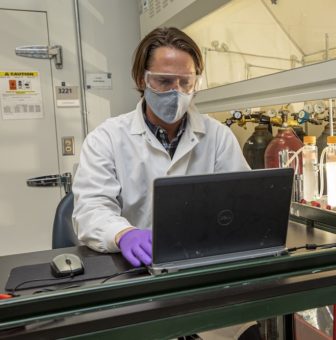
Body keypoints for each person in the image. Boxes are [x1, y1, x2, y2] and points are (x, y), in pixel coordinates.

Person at [72, 27, 250, 267]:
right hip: (133, 267)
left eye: (186, 82)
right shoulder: (106, 138)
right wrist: (123, 234)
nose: (176, 91)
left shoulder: (218, 136)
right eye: (164, 81)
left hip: (202, 260)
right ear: (140, 79)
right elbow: (91, 210)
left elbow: (243, 201)